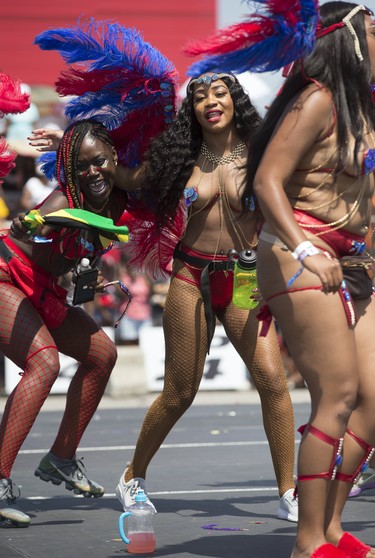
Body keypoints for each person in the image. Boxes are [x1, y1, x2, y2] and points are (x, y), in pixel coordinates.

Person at [112, 72, 298, 522]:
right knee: (179, 392)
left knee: (273, 382)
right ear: (191, 109)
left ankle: (289, 492)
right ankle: (132, 476)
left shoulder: (261, 154)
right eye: (199, 97)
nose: (210, 102)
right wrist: (71, 147)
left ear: (235, 100)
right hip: (190, 277)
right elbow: (129, 178)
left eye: (219, 93)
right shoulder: (179, 157)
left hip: (244, 280)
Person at [230, 2, 375, 557]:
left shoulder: (362, 108)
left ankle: (333, 528)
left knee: (370, 400)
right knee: (337, 396)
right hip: (297, 256)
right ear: (351, 39)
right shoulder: (315, 99)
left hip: (354, 263)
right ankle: (307, 542)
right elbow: (267, 180)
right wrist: (306, 246)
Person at [0, 118, 134, 526]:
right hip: (7, 274)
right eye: (81, 166)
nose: (92, 173)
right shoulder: (60, 203)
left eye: (99, 162)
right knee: (45, 363)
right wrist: (28, 224)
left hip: (46, 291)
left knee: (102, 355)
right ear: (69, 171)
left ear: (115, 158)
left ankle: (61, 458)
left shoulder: (121, 196)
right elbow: (31, 228)